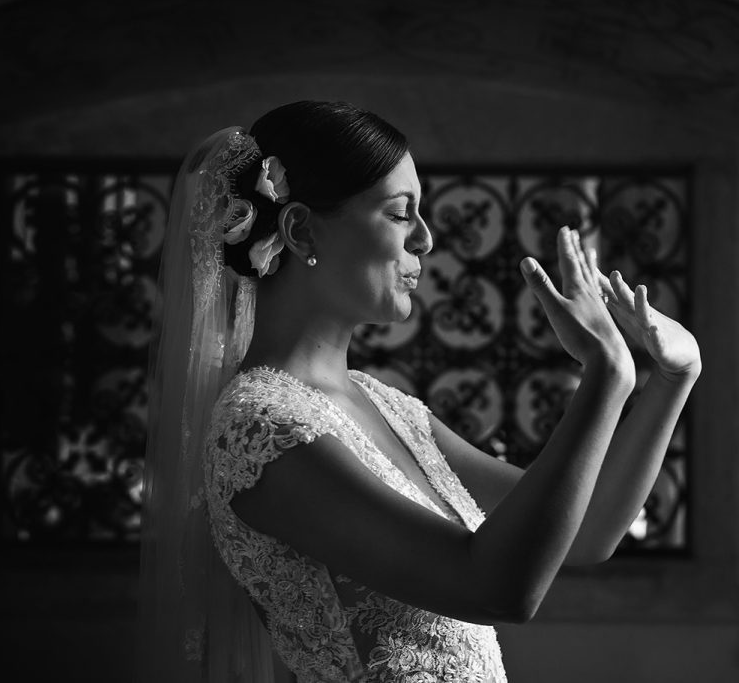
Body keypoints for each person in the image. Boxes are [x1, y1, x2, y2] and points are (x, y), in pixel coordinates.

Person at [134, 101, 701, 683]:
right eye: (402, 214)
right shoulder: (260, 429)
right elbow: (500, 590)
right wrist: (605, 376)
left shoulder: (387, 405)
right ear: (300, 228)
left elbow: (586, 533)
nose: (426, 241)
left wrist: (669, 380)